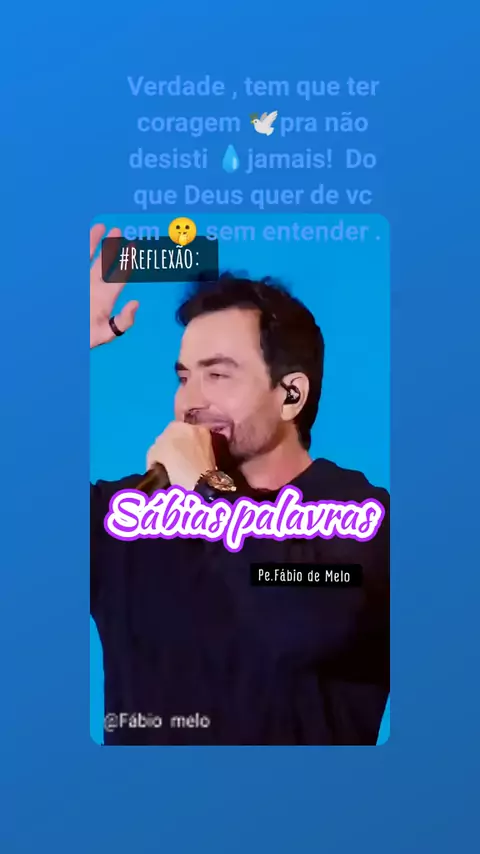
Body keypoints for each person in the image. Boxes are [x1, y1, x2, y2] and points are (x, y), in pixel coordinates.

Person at [90, 224, 390, 745]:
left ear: (291, 395)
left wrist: (203, 490)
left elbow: (299, 620)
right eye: (184, 377)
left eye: (218, 375)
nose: (189, 402)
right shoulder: (130, 513)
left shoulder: (361, 519)